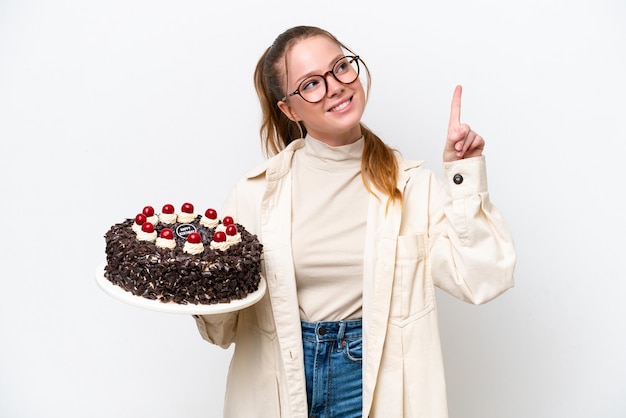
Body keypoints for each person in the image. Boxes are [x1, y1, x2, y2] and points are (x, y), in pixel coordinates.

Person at [194, 25, 516, 418]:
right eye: (311, 83)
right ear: (290, 110)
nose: (335, 86)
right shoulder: (254, 194)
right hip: (281, 380)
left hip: (372, 382)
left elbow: (483, 277)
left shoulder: (412, 186)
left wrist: (462, 174)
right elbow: (220, 330)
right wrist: (191, 276)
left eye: (341, 67)